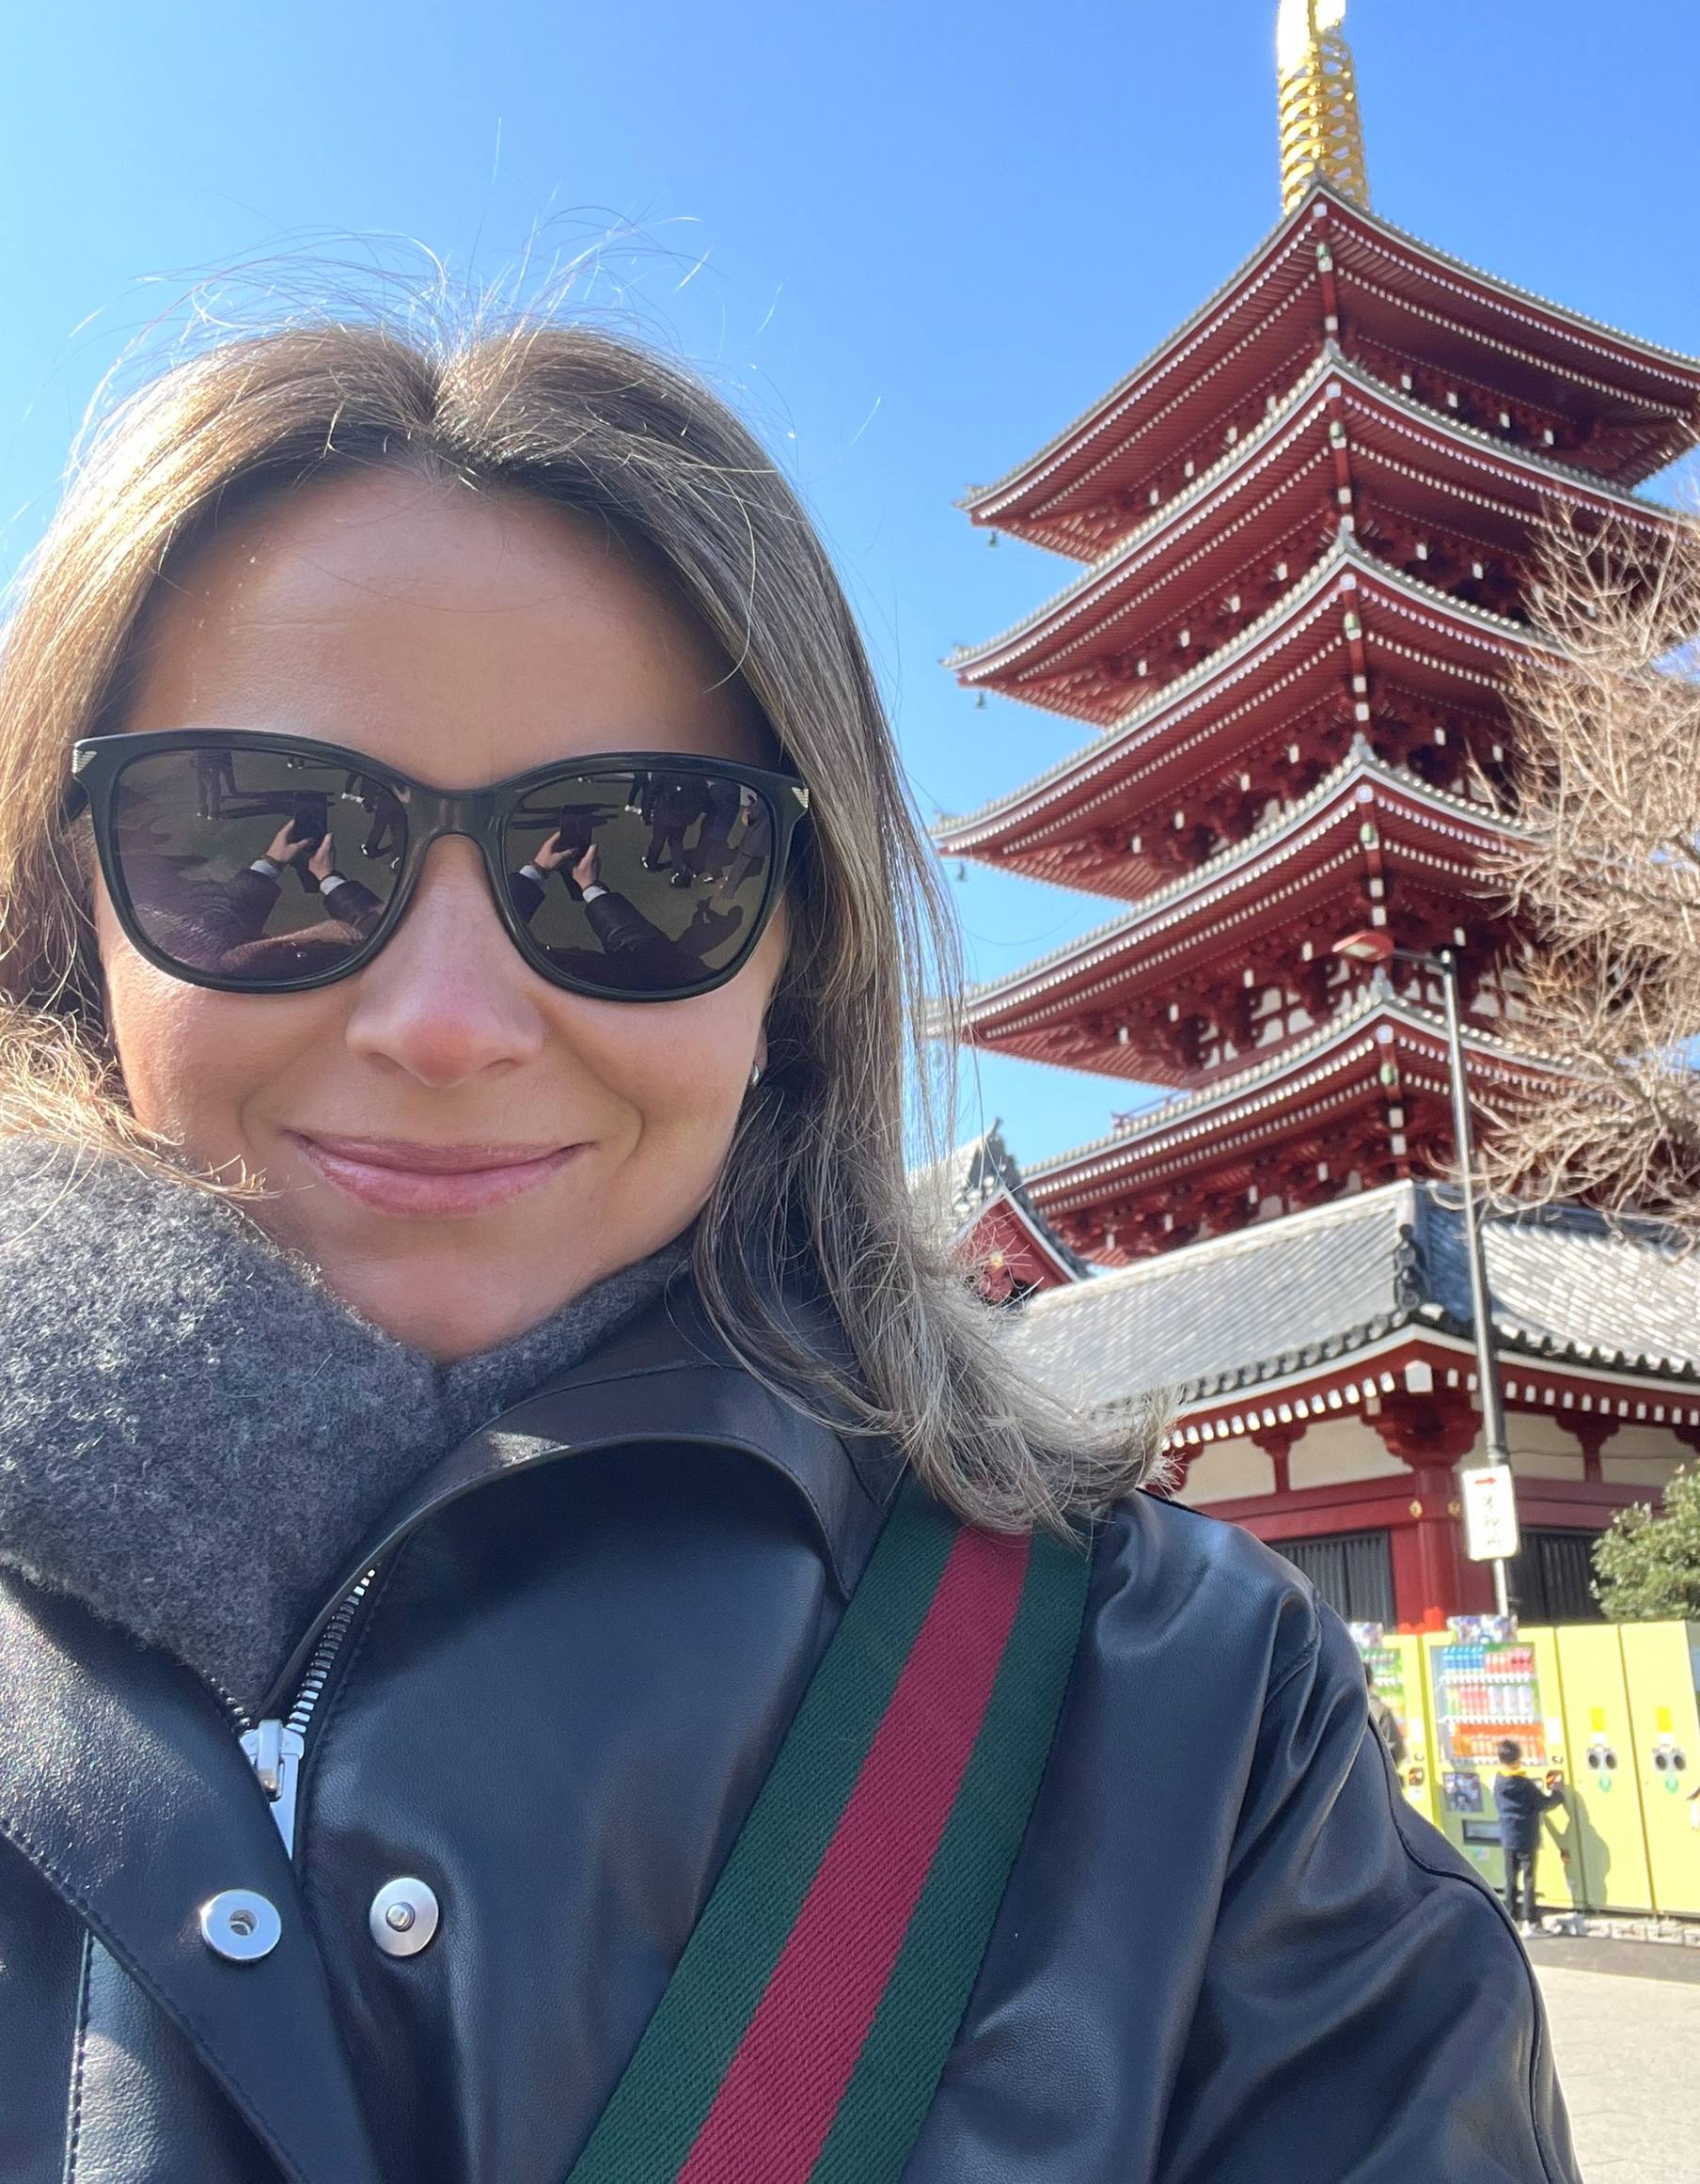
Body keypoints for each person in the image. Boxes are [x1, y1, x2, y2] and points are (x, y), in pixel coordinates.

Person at [0, 314, 1578, 2183]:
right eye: (261, 841)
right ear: (73, 900)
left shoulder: (1194, 1720)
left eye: (640, 861)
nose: (445, 1020)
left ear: (793, 961)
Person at [1492, 1740, 1564, 1935]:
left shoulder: (1498, 1781)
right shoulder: (1524, 1784)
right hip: (1527, 1836)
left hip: (1508, 1836)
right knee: (1529, 1878)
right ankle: (1530, 1921)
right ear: (1518, 1759)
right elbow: (1543, 1803)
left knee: (1510, 1879)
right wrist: (1558, 1793)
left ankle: (1511, 1918)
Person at [1364, 1658, 1406, 1771]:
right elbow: (1395, 1750)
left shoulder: (1340, 1707)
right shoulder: (1379, 1709)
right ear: (1371, 1683)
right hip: (1376, 1774)